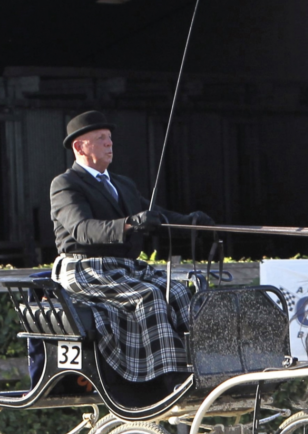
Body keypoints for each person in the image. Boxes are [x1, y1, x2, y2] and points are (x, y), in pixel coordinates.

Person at [49, 110, 214, 395]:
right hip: (85, 269)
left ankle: (206, 367)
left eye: (110, 138)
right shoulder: (65, 184)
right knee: (148, 295)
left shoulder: (122, 184)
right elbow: (83, 229)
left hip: (124, 268)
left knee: (179, 291)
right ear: (79, 146)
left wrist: (190, 222)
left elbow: (153, 215)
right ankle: (169, 379)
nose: (109, 143)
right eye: (100, 138)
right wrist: (128, 224)